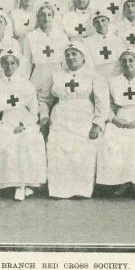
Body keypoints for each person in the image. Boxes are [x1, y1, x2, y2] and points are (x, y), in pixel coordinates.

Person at [38, 41, 109, 198]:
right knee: (58, 149)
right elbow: (43, 99)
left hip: (85, 119)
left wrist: (97, 124)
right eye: (68, 54)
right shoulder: (56, 76)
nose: (70, 57)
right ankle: (59, 190)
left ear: (83, 57)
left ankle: (81, 190)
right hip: (61, 119)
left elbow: (102, 101)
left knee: (84, 150)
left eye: (74, 54)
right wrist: (44, 116)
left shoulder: (93, 76)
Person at [96, 48, 135, 201]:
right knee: (111, 138)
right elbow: (108, 106)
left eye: (131, 60)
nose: (127, 63)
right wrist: (113, 119)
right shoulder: (113, 82)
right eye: (124, 61)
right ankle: (123, 180)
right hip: (121, 118)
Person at [0, 50, 46, 201]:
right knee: (7, 143)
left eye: (12, 63)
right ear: (1, 64)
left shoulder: (26, 84)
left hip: (25, 120)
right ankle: (18, 185)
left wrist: (23, 125)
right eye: (5, 62)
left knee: (27, 140)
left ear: (17, 65)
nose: (9, 66)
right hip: (7, 122)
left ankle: (23, 185)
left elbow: (34, 110)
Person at [23, 2, 68, 95]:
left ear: (53, 17)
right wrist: (25, 81)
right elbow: (26, 62)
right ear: (38, 17)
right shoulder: (31, 36)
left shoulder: (61, 36)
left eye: (49, 15)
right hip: (39, 74)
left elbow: (65, 61)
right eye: (42, 15)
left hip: (57, 72)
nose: (46, 18)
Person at [84, 8, 125, 80]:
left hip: (116, 75)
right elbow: (89, 64)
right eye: (97, 22)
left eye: (103, 20)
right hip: (98, 76)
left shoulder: (118, 40)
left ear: (108, 21)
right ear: (93, 25)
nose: (101, 24)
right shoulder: (87, 42)